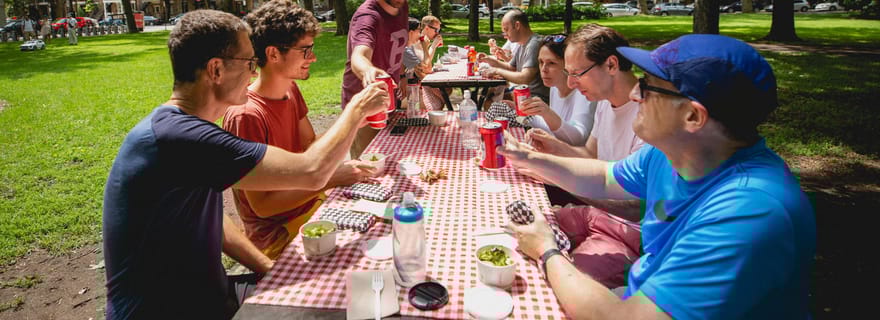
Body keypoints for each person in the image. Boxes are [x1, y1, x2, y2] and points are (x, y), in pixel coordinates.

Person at [500, 33, 816, 319]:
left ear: (693, 116)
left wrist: (548, 251)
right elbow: (602, 176)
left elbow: (624, 318)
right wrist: (528, 157)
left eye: (649, 87)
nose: (635, 94)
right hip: (641, 292)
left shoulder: (749, 213)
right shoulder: (670, 151)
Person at [102, 9, 388, 319]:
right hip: (166, 312)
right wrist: (357, 109)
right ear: (216, 70)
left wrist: (269, 270)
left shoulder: (184, 130)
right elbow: (312, 170)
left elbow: (216, 224)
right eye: (249, 63)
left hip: (212, 299)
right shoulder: (181, 137)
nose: (254, 74)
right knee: (360, 303)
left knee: (369, 288)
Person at [222, 0, 375, 260]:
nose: (313, 57)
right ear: (272, 54)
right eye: (305, 50)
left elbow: (310, 147)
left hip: (313, 207)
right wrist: (330, 178)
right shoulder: (246, 115)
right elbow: (265, 207)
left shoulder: (290, 90)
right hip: (277, 236)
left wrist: (352, 122)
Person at [511, 25, 643, 289]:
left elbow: (633, 205)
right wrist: (553, 148)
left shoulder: (651, 116)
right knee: (515, 231)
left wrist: (554, 173)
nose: (570, 83)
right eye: (568, 74)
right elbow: (589, 155)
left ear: (612, 65)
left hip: (631, 233)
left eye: (577, 74)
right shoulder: (606, 101)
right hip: (595, 213)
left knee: (565, 283)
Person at [342, 0, 409, 159]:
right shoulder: (368, 16)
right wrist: (368, 70)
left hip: (388, 98)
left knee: (393, 159)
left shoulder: (401, 6)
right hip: (365, 106)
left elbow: (396, 46)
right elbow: (359, 56)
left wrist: (402, 74)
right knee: (367, 168)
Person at [518, 34, 596, 147]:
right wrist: (528, 113)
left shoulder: (584, 92)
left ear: (568, 65)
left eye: (551, 63)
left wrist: (547, 113)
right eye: (541, 62)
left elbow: (578, 138)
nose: (544, 69)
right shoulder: (554, 87)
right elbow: (555, 129)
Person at [479, 9, 549, 102]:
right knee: (489, 97)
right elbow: (511, 67)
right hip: (524, 94)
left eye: (506, 30)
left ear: (517, 25)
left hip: (534, 99)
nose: (505, 36)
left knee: (491, 101)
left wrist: (497, 71)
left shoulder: (534, 44)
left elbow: (525, 78)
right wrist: (489, 60)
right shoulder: (522, 44)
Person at [401, 15, 445, 111]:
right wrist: (428, 47)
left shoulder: (407, 48)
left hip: (412, 87)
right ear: (411, 33)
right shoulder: (405, 50)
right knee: (438, 100)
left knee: (441, 94)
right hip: (403, 93)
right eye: (418, 31)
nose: (420, 34)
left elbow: (424, 68)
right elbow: (425, 69)